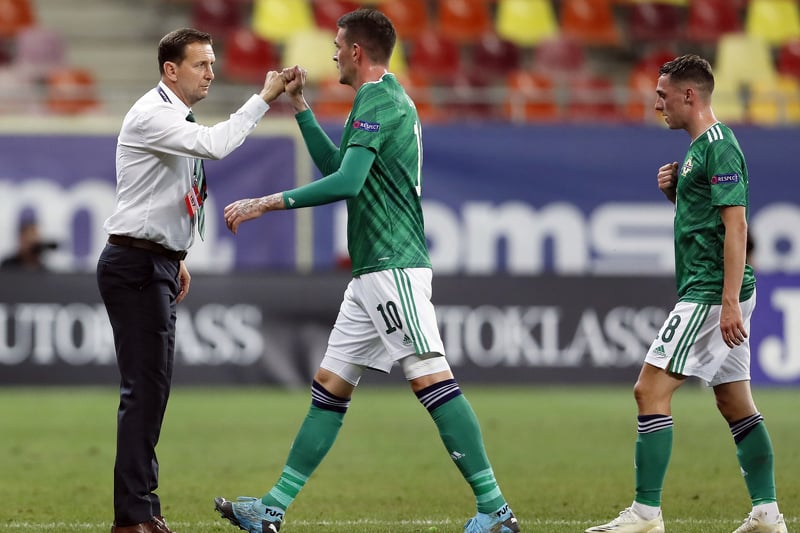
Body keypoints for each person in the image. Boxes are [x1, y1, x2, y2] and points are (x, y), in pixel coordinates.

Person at [213, 8, 520, 533]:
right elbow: (339, 169)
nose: (331, 53)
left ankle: (495, 509)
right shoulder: (376, 99)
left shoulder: (380, 100)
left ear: (357, 51)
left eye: (336, 45)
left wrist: (268, 201)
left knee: (431, 379)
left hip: (393, 265)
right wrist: (302, 108)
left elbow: (348, 185)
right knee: (330, 386)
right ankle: (271, 510)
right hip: (371, 273)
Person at [586, 55, 787, 533]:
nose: (657, 103)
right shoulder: (699, 150)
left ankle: (645, 515)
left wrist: (731, 301)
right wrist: (677, 194)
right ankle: (767, 513)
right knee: (735, 403)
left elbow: (737, 226)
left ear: (689, 95)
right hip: (714, 290)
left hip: (711, 294)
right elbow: (707, 222)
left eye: (663, 94)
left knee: (649, 390)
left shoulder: (719, 147)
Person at [96, 28, 285, 533]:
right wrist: (262, 100)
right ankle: (133, 515)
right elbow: (214, 147)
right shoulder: (154, 114)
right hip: (135, 265)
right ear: (170, 70)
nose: (211, 72)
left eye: (212, 63)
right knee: (144, 390)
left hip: (151, 261)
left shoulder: (171, 116)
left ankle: (142, 508)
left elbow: (157, 192)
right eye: (201, 64)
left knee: (152, 389)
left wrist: (174, 252)